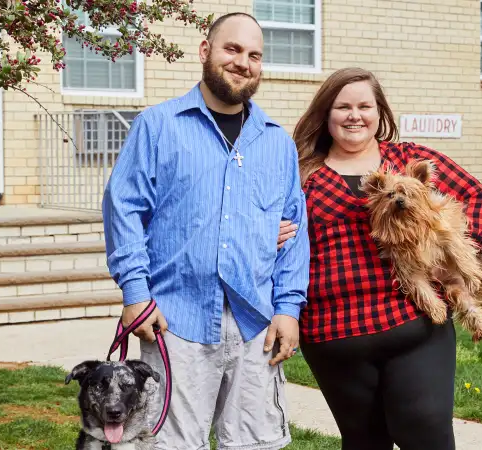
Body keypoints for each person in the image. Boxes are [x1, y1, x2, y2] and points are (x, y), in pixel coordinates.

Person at [102, 12, 310, 450]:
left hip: (257, 326)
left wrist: (288, 308)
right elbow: (124, 209)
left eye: (254, 55)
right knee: (170, 445)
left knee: (256, 444)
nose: (243, 62)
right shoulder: (158, 126)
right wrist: (136, 294)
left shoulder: (276, 142)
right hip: (176, 321)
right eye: (232, 49)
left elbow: (294, 233)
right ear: (205, 51)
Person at [279, 67, 482, 450]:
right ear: (325, 114)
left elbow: (479, 198)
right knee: (365, 442)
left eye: (365, 105)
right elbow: (260, 231)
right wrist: (268, 237)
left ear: (380, 113)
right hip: (333, 334)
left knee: (426, 431)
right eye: (342, 106)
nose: (354, 115)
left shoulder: (409, 161)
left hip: (413, 324)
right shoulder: (300, 173)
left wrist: (456, 253)